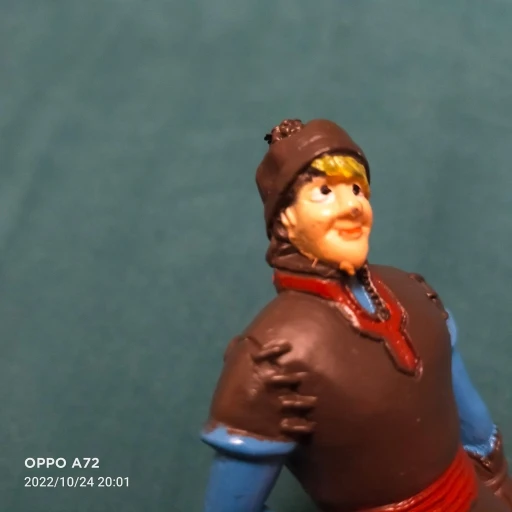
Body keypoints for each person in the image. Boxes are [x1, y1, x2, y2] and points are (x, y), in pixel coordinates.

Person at [200, 118, 512, 512]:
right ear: (286, 218)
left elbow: (472, 419)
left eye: (357, 189)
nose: (352, 206)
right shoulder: (272, 358)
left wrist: (497, 482)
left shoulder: (412, 291)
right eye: (324, 192)